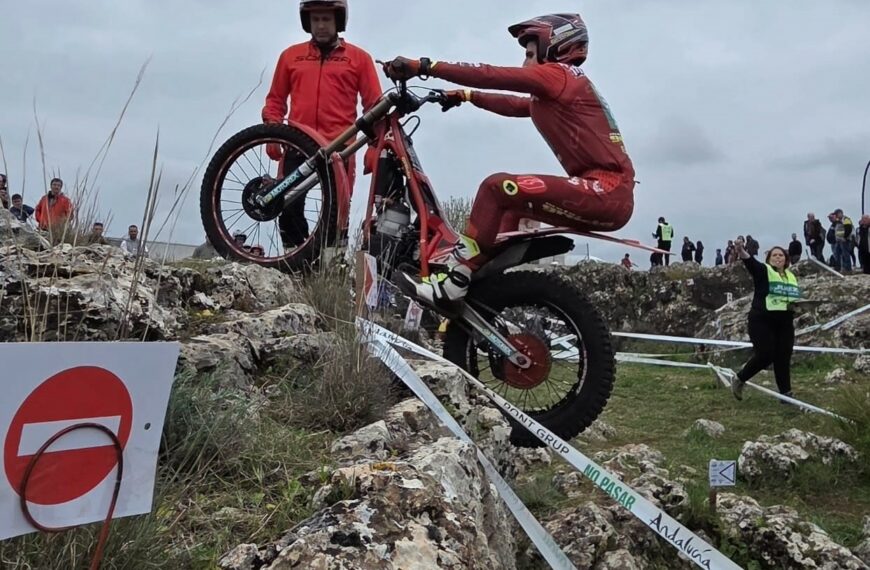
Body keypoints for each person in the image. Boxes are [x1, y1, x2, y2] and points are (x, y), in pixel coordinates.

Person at [383, 13, 636, 306]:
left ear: (554, 47)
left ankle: (455, 282)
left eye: (530, 54)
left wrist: (425, 66)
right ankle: (483, 290)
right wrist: (465, 96)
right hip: (605, 192)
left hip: (606, 190)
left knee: (496, 187)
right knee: (506, 213)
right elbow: (516, 105)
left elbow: (493, 75)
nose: (524, 64)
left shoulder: (560, 75)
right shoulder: (558, 92)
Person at [262, 0, 382, 249]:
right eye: (316, 20)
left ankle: (330, 269)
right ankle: (295, 262)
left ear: (338, 21)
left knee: (336, 214)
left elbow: (374, 107)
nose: (321, 25)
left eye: (326, 19)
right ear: (308, 22)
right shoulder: (290, 56)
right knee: (287, 206)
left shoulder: (359, 59)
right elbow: (275, 100)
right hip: (297, 143)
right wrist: (272, 134)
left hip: (340, 147)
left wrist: (374, 147)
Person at [728, 238, 801, 401]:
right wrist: (740, 250)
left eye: (781, 255)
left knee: (783, 356)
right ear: (769, 259)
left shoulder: (791, 276)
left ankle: (786, 394)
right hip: (762, 319)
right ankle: (740, 379)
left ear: (786, 259)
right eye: (774, 255)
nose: (778, 258)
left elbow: (791, 298)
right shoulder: (764, 270)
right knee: (766, 355)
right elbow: (751, 263)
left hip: (784, 321)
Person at [830, 209, 854, 273]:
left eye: (836, 214)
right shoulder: (838, 221)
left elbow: (848, 229)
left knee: (845, 254)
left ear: (840, 213)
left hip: (845, 240)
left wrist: (844, 237)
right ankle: (838, 267)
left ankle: (848, 268)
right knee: (837, 254)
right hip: (838, 240)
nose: (836, 216)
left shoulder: (846, 219)